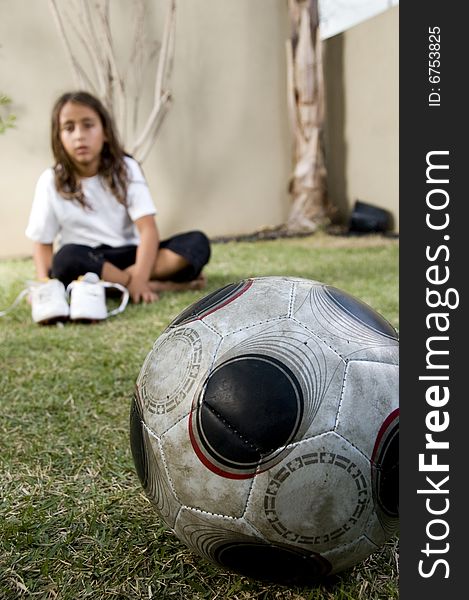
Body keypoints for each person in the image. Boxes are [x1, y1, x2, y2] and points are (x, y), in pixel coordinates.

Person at [25, 90, 211, 322]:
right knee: (65, 259)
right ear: (58, 137)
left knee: (196, 243)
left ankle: (109, 286)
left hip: (129, 255)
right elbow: (42, 242)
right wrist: (44, 286)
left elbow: (148, 230)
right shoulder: (50, 180)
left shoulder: (126, 169)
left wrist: (140, 276)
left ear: (104, 132)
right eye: (69, 128)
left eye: (88, 125)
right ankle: (152, 285)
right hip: (86, 258)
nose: (79, 136)